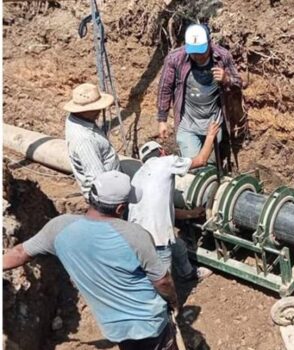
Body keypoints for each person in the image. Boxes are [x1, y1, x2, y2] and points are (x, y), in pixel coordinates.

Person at [3, 171, 180, 350]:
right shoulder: (135, 235)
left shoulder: (59, 228)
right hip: (150, 324)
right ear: (120, 208)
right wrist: (173, 301)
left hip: (115, 328)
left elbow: (19, 253)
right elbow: (162, 281)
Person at [128, 121, 222, 282]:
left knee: (177, 246)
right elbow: (201, 161)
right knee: (163, 278)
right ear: (162, 151)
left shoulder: (139, 175)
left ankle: (188, 273)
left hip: (135, 234)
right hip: (157, 236)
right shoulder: (166, 162)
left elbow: (162, 209)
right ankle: (169, 306)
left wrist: (191, 214)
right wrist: (211, 135)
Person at [156, 23, 242, 164]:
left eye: (201, 51)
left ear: (209, 43)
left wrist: (226, 79)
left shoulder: (222, 56)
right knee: (195, 167)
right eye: (194, 52)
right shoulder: (175, 59)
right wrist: (162, 120)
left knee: (211, 167)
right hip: (187, 124)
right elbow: (165, 88)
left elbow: (239, 83)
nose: (197, 56)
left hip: (213, 124)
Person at [64, 83, 120, 199]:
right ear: (85, 111)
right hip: (107, 197)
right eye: (96, 109)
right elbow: (98, 180)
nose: (100, 110)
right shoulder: (84, 140)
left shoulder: (77, 119)